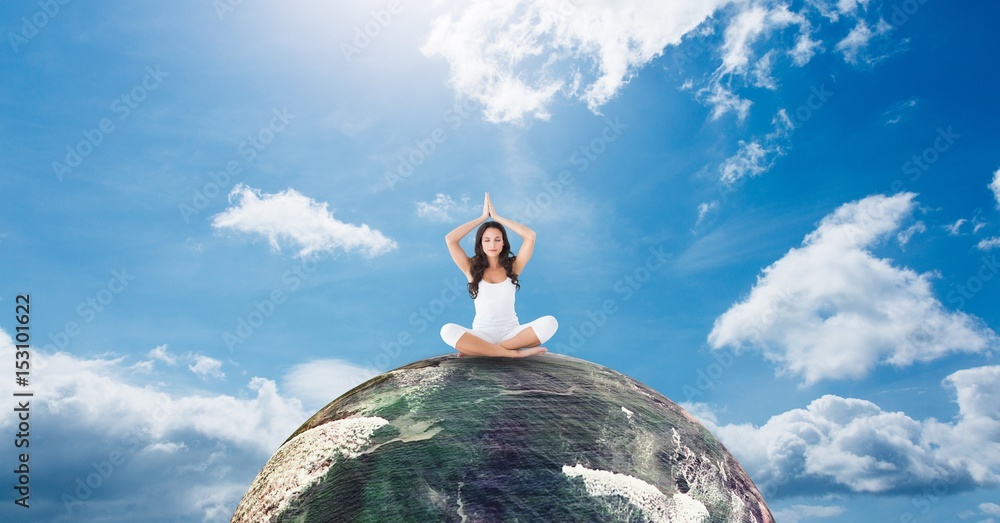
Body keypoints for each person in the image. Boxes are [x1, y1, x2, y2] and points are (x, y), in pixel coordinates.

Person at [440, 193, 558, 357]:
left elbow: (530, 236)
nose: (492, 244)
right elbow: (450, 239)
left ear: (504, 242)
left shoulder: (513, 267)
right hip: (482, 334)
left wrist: (497, 217)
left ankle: (490, 350)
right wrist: (482, 218)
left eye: (497, 239)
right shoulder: (471, 269)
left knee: (550, 322)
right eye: (487, 240)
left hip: (512, 333)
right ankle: (510, 353)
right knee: (447, 330)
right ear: (480, 243)